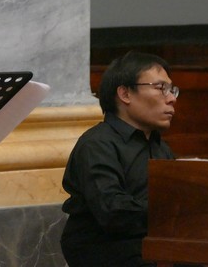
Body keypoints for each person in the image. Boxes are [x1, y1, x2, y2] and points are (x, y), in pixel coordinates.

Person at [60, 51, 179, 267]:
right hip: (107, 249)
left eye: (172, 90)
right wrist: (175, 209)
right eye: (161, 88)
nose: (171, 98)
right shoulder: (97, 144)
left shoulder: (161, 148)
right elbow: (114, 212)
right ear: (125, 94)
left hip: (153, 246)